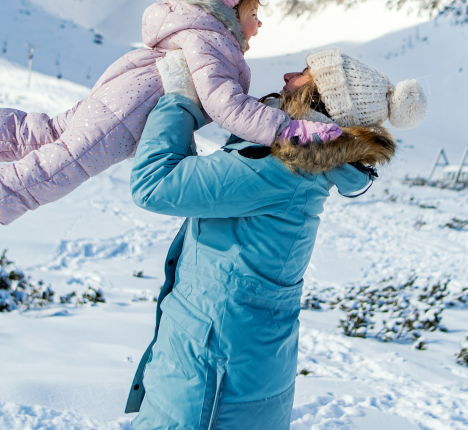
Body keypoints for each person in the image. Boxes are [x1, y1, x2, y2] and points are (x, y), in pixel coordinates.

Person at [0, 0, 343, 278]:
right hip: (125, 114)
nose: (258, 25)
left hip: (125, 88)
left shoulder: (196, 32)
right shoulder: (210, 40)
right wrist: (289, 130)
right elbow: (225, 104)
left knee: (45, 132)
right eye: (252, 16)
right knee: (56, 168)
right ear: (224, 13)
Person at [125, 48, 428, 428]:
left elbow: (155, 185)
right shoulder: (291, 165)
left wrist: (179, 103)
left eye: (303, 73)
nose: (287, 76)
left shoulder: (279, 171)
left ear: (319, 98)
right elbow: (198, 186)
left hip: (208, 384)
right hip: (225, 372)